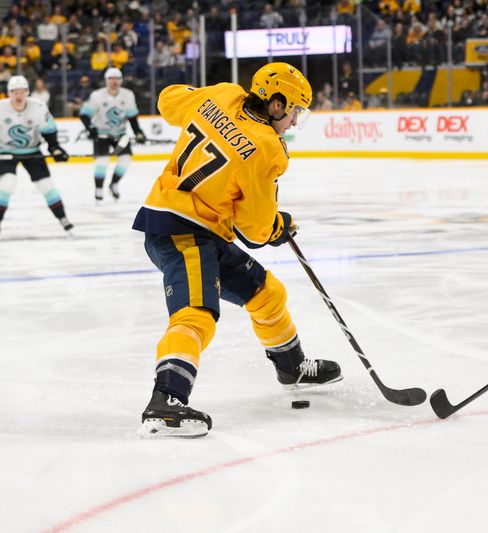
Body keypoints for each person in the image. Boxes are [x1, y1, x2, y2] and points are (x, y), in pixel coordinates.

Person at [132, 62, 342, 438]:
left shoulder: (223, 93)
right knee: (195, 313)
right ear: (276, 105)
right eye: (294, 111)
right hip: (184, 229)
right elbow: (256, 228)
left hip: (188, 224)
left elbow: (167, 101)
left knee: (266, 293)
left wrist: (204, 102)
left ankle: (291, 367)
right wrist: (281, 225)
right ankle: (166, 400)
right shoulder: (267, 149)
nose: (294, 122)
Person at [0, 75, 71, 235]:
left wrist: (55, 148)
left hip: (32, 152)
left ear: (27, 92)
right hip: (5, 152)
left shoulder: (38, 107)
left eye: (22, 92)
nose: (19, 96)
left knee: (46, 186)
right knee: (7, 184)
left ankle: (63, 219)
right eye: (15, 92)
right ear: (9, 93)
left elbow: (49, 131)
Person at [79, 67, 146, 202]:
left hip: (120, 134)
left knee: (125, 160)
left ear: (121, 81)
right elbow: (84, 114)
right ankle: (99, 189)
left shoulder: (127, 95)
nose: (114, 82)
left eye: (117, 79)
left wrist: (138, 132)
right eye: (111, 79)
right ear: (106, 81)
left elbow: (132, 117)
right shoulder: (97, 95)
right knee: (102, 162)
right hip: (101, 134)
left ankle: (114, 183)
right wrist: (90, 128)